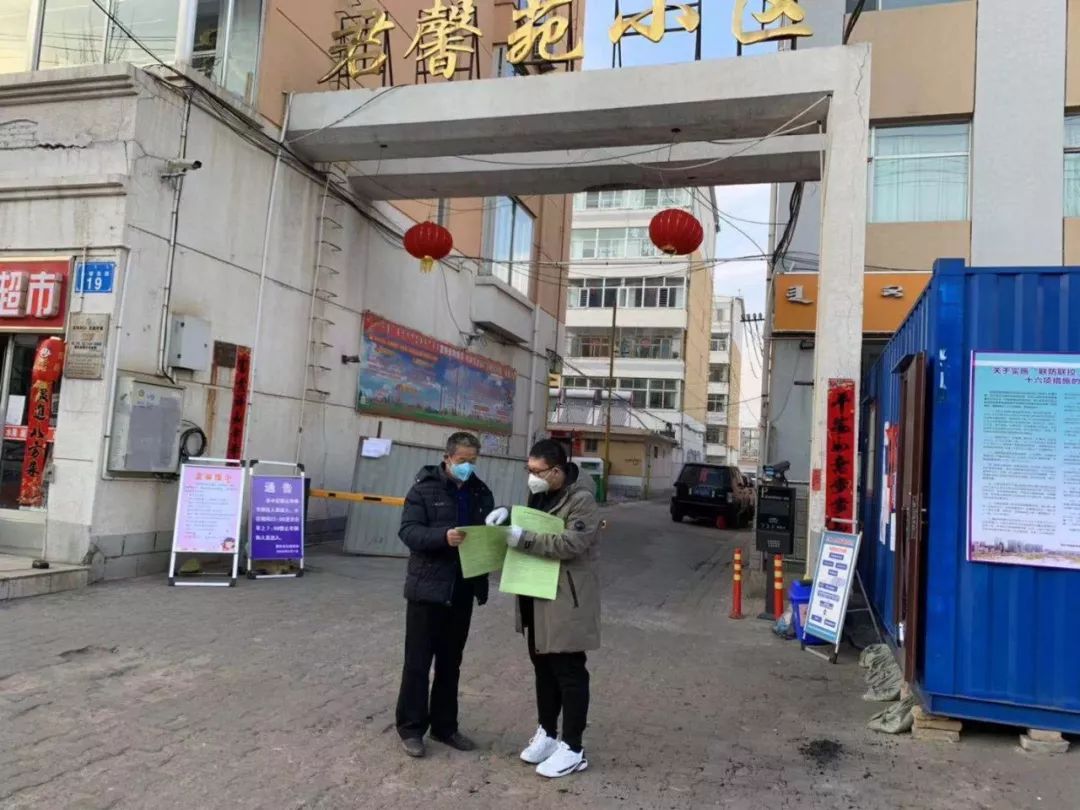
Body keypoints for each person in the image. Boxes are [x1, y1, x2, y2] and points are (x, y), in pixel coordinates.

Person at [486, 439, 601, 778]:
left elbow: (571, 542)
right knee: (543, 667)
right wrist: (508, 514)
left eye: (537, 471)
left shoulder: (582, 500)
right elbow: (535, 521)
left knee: (569, 670)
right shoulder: (541, 492)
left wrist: (522, 538)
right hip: (535, 592)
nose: (531, 477)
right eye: (529, 470)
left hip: (566, 597)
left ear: (557, 471)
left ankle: (573, 748)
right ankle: (548, 733)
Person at [395, 432, 494, 758]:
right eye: (463, 460)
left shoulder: (481, 492)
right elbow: (408, 531)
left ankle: (445, 726)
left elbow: (487, 535)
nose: (468, 467)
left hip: (462, 588)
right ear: (447, 458)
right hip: (427, 589)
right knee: (418, 663)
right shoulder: (423, 489)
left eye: (473, 461)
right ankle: (411, 729)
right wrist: (442, 536)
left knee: (451, 663)